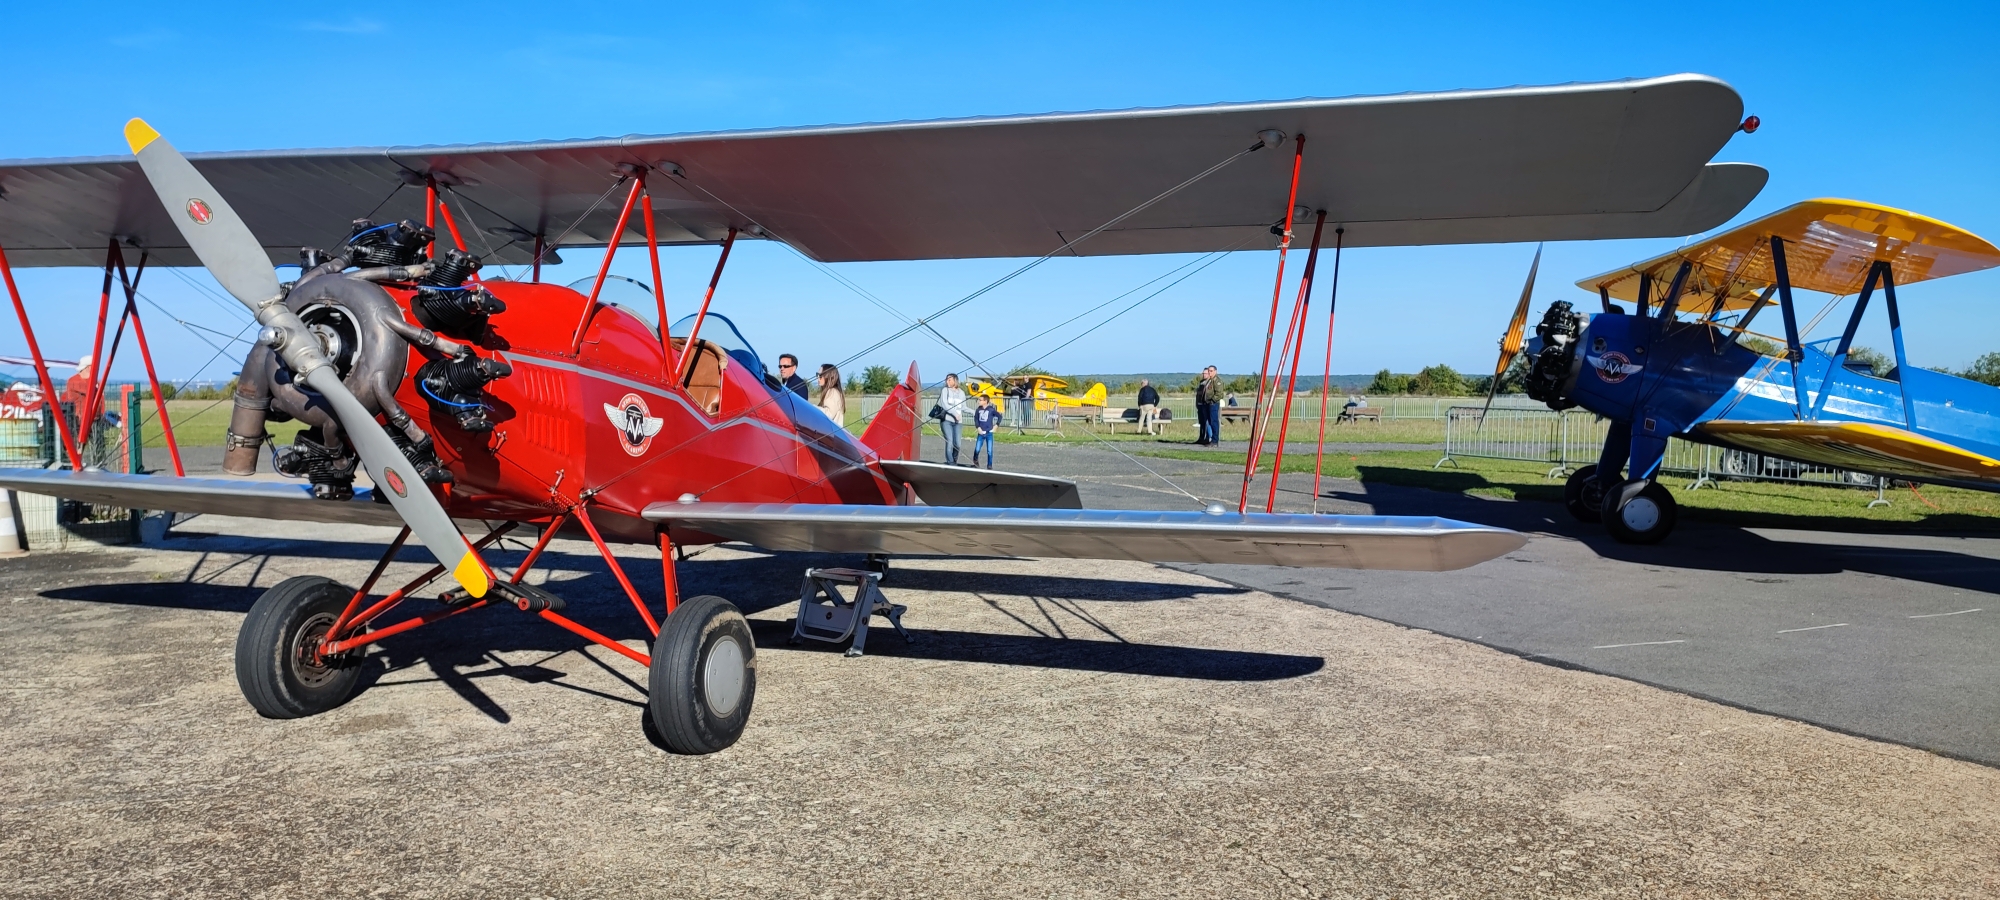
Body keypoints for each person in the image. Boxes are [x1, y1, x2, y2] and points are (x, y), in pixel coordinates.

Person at [939, 373, 966, 464]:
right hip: (947, 420)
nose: (947, 381)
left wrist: (974, 412)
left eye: (949, 380)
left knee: (957, 444)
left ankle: (954, 460)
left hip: (958, 422)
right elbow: (945, 405)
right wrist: (955, 414)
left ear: (955, 380)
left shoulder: (961, 393)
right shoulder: (945, 390)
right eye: (946, 380)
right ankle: (950, 462)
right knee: (949, 441)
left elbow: (964, 407)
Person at [1194, 366, 1222, 445]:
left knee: (1214, 422)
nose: (1209, 372)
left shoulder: (1217, 381)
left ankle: (1214, 440)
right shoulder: (1209, 381)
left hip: (1213, 404)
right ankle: (1209, 439)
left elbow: (1219, 394)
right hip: (1207, 404)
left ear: (1215, 371)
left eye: (1211, 371)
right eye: (1209, 371)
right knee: (1209, 421)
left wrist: (1212, 401)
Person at [971, 393, 1000, 469]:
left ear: (985, 401)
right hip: (981, 433)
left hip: (989, 433)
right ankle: (975, 460)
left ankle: (989, 465)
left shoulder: (991, 409)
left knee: (989, 450)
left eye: (980, 400)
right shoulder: (978, 410)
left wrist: (996, 425)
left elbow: (999, 416)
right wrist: (978, 427)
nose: (979, 401)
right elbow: (976, 419)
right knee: (977, 449)